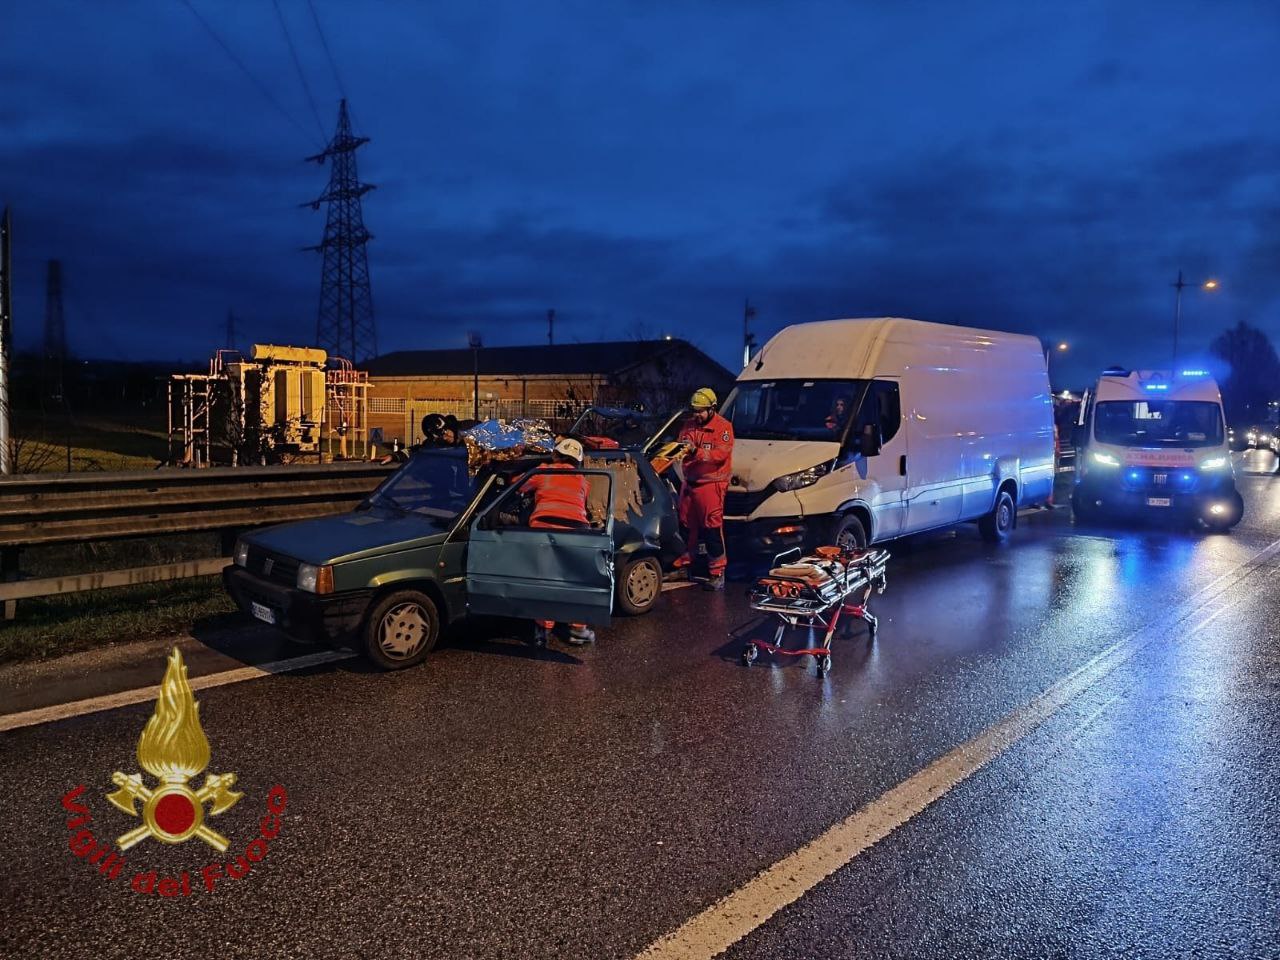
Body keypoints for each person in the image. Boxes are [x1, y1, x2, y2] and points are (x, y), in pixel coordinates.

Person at [525, 437, 597, 645]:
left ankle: (543, 629)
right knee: (575, 580)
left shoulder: (543, 472)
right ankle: (578, 629)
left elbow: (518, 485)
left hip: (544, 529)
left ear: (555, 455)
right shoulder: (584, 481)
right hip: (577, 532)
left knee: (546, 579)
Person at [675, 387, 734, 591]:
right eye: (694, 411)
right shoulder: (689, 426)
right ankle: (684, 565)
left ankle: (717, 573)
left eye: (700, 411)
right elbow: (682, 444)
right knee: (684, 526)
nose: (697, 415)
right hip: (690, 483)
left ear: (712, 409)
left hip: (711, 485)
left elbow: (719, 456)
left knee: (711, 529)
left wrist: (696, 452)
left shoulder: (723, 428)